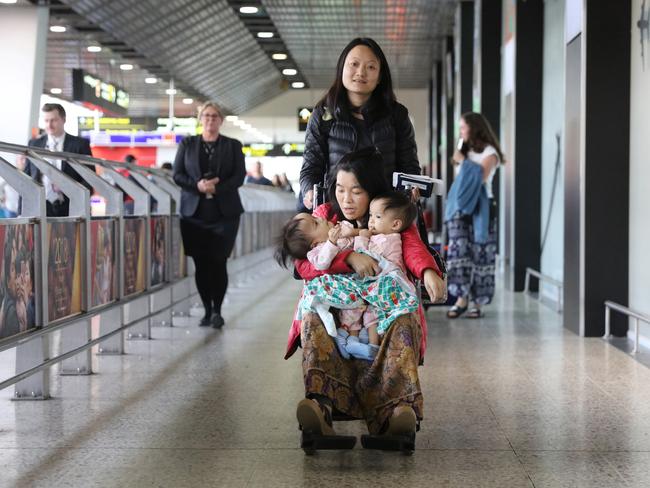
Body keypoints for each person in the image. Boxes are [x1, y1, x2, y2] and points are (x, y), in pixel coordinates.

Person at [285, 148, 446, 440]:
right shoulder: (325, 216)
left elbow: (412, 248)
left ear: (371, 190)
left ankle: (398, 412)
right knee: (312, 316)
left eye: (356, 191)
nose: (346, 199)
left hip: (380, 304)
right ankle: (320, 407)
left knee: (404, 318)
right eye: (341, 189)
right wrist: (347, 259)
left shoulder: (387, 214)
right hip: (339, 305)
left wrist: (428, 271)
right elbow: (304, 264)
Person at [299, 37, 420, 211]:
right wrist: (309, 191)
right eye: (354, 64)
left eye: (370, 67)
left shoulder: (397, 115)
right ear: (342, 68)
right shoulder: (323, 115)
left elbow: (409, 166)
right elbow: (311, 167)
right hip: (337, 215)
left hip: (384, 218)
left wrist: (412, 188)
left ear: (380, 76)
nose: (361, 72)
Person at [173, 101, 246, 328]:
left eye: (215, 116)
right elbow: (177, 174)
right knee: (201, 264)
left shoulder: (232, 145)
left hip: (225, 214)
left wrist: (217, 187)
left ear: (221, 120)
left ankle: (217, 310)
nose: (210, 120)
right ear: (200, 119)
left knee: (218, 261)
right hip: (194, 214)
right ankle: (206, 309)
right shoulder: (187, 144)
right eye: (206, 116)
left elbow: (239, 176)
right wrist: (198, 186)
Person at [444, 112, 504, 319]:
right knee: (458, 252)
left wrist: (463, 161)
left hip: (482, 207)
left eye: (463, 127)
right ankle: (461, 299)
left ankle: (477, 302)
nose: (460, 132)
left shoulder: (490, 152)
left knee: (481, 252)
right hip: (459, 208)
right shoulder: (465, 151)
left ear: (474, 128)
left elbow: (481, 176)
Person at [25, 103, 93, 217]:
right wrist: (21, 211)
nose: (49, 125)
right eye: (46, 121)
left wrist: (68, 187)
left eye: (53, 120)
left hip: (71, 209)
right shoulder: (34, 145)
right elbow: (26, 180)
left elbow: (90, 180)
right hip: (40, 209)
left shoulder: (80, 145)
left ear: (64, 120)